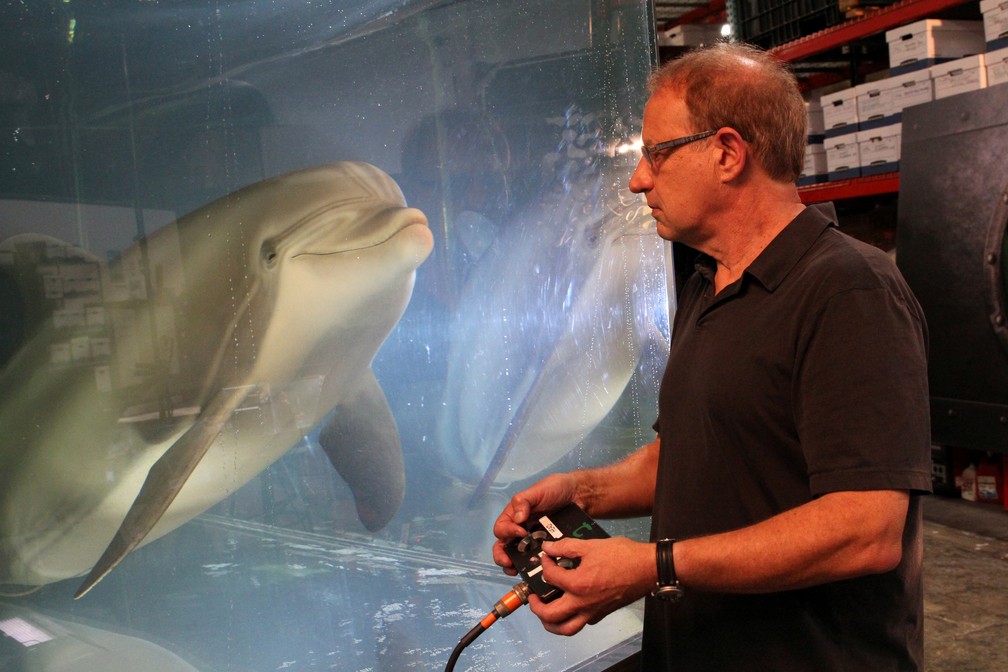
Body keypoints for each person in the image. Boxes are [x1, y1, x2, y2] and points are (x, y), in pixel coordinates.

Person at [492, 43, 932, 671]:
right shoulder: (709, 284)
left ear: (727, 153)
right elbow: (696, 451)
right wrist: (581, 492)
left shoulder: (849, 290)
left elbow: (866, 530)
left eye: (657, 153)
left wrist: (652, 567)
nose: (639, 178)